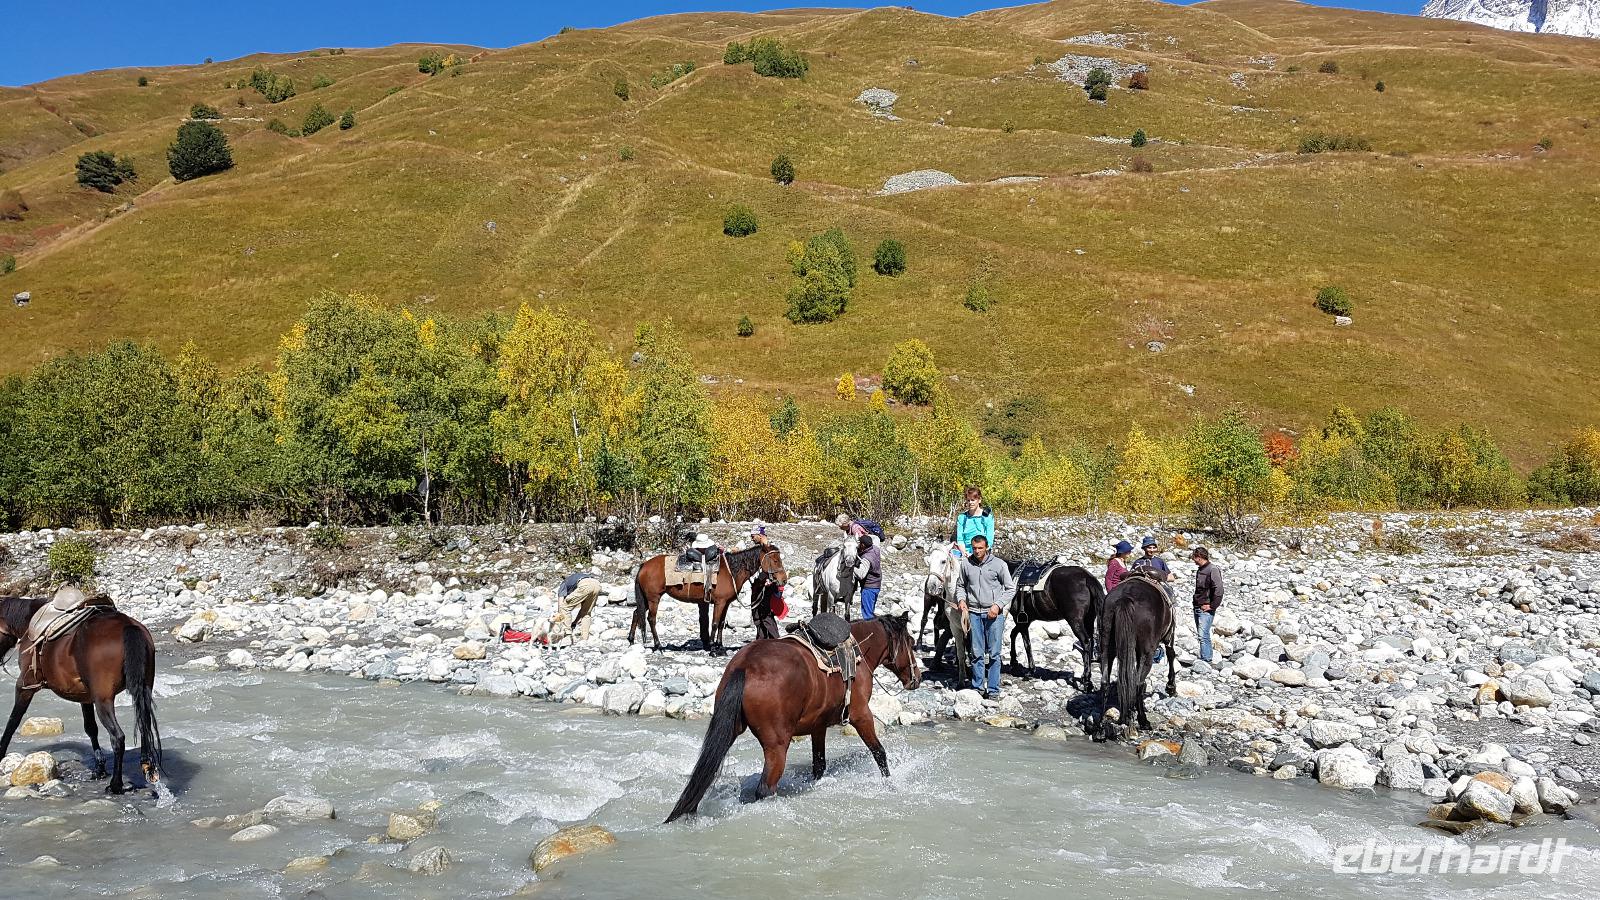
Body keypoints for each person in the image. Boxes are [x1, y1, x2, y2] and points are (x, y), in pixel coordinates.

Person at [959, 534, 1015, 699]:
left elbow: (1010, 588)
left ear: (987, 547)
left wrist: (997, 605)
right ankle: (977, 687)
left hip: (994, 615)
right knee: (976, 652)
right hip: (974, 613)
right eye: (974, 548)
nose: (977, 551)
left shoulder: (999, 564)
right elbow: (960, 585)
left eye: (980, 548)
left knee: (994, 654)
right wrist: (961, 600)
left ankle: (993, 690)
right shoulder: (966, 564)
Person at [1132, 536, 1175, 661]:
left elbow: (1170, 576)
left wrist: (1159, 577)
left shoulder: (1160, 562)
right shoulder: (1138, 562)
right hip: (1141, 588)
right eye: (1149, 547)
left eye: (1153, 547)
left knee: (1170, 598)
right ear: (1144, 549)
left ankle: (1169, 626)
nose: (1151, 550)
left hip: (1158, 586)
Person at [549, 571, 601, 645]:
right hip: (597, 584)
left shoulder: (563, 584)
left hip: (585, 585)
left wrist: (558, 621)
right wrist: (575, 622)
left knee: (564, 607)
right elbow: (582, 611)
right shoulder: (574, 581)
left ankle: (568, 635)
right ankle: (584, 638)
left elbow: (561, 607)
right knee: (586, 613)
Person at [1191, 547, 1223, 664]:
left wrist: (1212, 606)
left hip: (1206, 608)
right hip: (1197, 606)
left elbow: (1219, 590)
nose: (1193, 560)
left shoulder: (1212, 569)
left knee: (1203, 634)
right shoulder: (1200, 570)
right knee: (1202, 634)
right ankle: (1206, 657)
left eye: (1194, 557)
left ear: (1199, 557)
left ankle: (1206, 659)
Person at [954, 487, 995, 556]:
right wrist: (964, 552)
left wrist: (979, 553)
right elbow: (960, 539)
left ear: (979, 500)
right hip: (966, 552)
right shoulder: (961, 517)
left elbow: (989, 540)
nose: (970, 503)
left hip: (981, 552)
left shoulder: (988, 517)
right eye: (968, 500)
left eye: (973, 500)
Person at [857, 537, 883, 620]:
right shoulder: (875, 549)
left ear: (863, 545)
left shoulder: (866, 558)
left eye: (859, 543)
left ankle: (870, 631)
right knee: (871, 610)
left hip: (869, 587)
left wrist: (851, 567)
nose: (858, 545)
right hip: (877, 585)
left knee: (867, 614)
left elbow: (861, 574)